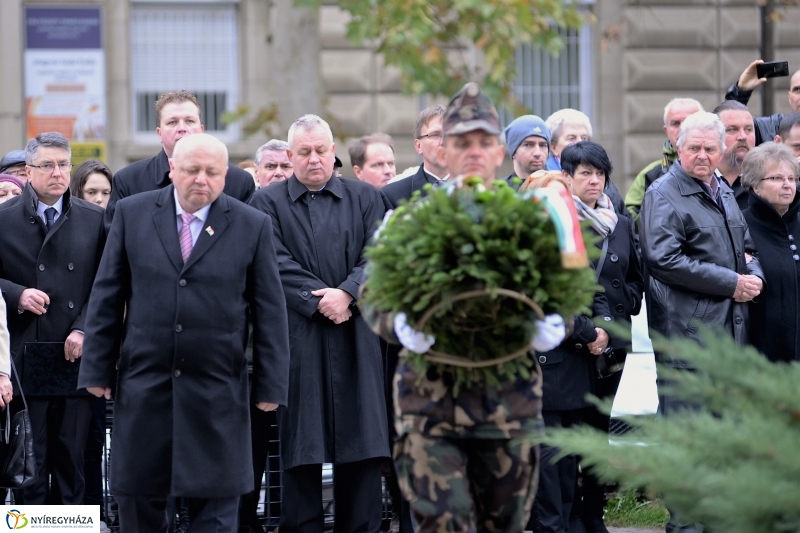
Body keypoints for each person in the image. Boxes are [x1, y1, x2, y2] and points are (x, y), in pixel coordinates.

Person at [78, 133, 290, 533]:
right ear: (172, 169)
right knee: (140, 509)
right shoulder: (132, 214)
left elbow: (269, 312)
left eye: (212, 172)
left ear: (225, 176)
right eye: (192, 170)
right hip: (145, 391)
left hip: (217, 395)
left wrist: (270, 386)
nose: (201, 180)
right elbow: (108, 293)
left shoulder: (252, 225)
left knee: (216, 513)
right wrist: (97, 370)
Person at [383, 82, 558, 533]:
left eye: (484, 142)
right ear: (444, 149)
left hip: (507, 404)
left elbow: (564, 287)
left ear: (500, 151)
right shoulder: (409, 219)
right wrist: (400, 324)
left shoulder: (532, 219)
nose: (474, 152)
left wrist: (557, 321)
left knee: (506, 525)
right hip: (430, 405)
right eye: (462, 142)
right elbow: (374, 293)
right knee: (444, 524)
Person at [249, 114, 388, 533]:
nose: (314, 159)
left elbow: (380, 252)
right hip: (298, 340)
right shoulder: (266, 204)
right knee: (301, 452)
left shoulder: (365, 198)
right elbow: (273, 263)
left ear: (334, 153)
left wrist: (348, 292)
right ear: (290, 156)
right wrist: (321, 300)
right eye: (304, 152)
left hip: (357, 336)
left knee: (361, 450)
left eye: (321, 151)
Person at [640, 111, 764, 532]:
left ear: (723, 149)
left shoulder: (723, 191)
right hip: (687, 338)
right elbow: (663, 259)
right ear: (678, 147)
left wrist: (755, 276)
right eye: (694, 148)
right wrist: (732, 282)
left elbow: (747, 248)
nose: (703, 156)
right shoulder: (664, 194)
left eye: (711, 148)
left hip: (728, 337)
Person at [0, 132, 106, 505]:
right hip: (23, 355)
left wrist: (84, 328)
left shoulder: (95, 219)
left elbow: (107, 284)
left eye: (63, 164)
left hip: (73, 354)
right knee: (29, 465)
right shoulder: (3, 218)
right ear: (29, 172)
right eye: (47, 165)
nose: (57, 172)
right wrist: (17, 293)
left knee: (71, 462)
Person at [556, 143, 643, 533]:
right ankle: (572, 514)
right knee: (575, 432)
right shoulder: (561, 220)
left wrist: (623, 306)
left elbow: (637, 277)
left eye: (600, 174)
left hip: (614, 343)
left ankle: (595, 514)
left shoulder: (620, 223)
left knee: (600, 428)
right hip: (573, 343)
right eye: (585, 173)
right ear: (568, 177)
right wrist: (590, 327)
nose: (594, 181)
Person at [105, 90, 255, 229]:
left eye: (189, 121)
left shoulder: (239, 182)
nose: (182, 128)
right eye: (172, 122)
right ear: (159, 133)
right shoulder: (128, 181)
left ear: (201, 129)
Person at [740, 142, 800, 362]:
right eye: (777, 178)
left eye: (792, 178)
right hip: (758, 357)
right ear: (755, 185)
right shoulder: (739, 225)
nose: (787, 185)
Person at [624, 98, 704, 221]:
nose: (682, 128)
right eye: (675, 123)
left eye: (689, 121)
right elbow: (629, 217)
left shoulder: (718, 167)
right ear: (666, 130)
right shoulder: (650, 174)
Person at [382, 105, 447, 208]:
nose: (443, 142)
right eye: (435, 135)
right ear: (418, 146)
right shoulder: (392, 195)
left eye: (449, 135)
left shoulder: (476, 190)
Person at [725, 59, 800, 145]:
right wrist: (740, 92)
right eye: (797, 90)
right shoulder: (771, 128)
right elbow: (731, 121)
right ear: (789, 97)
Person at [713, 101, 755, 210]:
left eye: (748, 129)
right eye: (732, 129)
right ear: (713, 135)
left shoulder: (767, 182)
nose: (743, 136)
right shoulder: (698, 181)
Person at [503, 114, 551, 189]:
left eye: (542, 145)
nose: (537, 153)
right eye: (528, 145)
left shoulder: (558, 190)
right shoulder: (500, 194)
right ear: (513, 151)